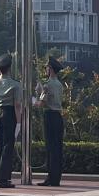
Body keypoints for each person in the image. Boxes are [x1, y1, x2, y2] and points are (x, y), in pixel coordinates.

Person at [0, 52, 21, 189]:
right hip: (9, 113)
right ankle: (4, 179)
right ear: (9, 68)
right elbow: (17, 105)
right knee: (8, 146)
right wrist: (19, 123)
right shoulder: (15, 85)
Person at [34, 56, 65, 187]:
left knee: (50, 148)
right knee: (58, 148)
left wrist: (35, 96)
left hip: (50, 116)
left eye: (47, 67)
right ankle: (56, 178)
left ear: (50, 69)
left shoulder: (47, 85)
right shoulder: (59, 85)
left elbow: (41, 104)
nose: (45, 69)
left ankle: (50, 178)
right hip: (58, 116)